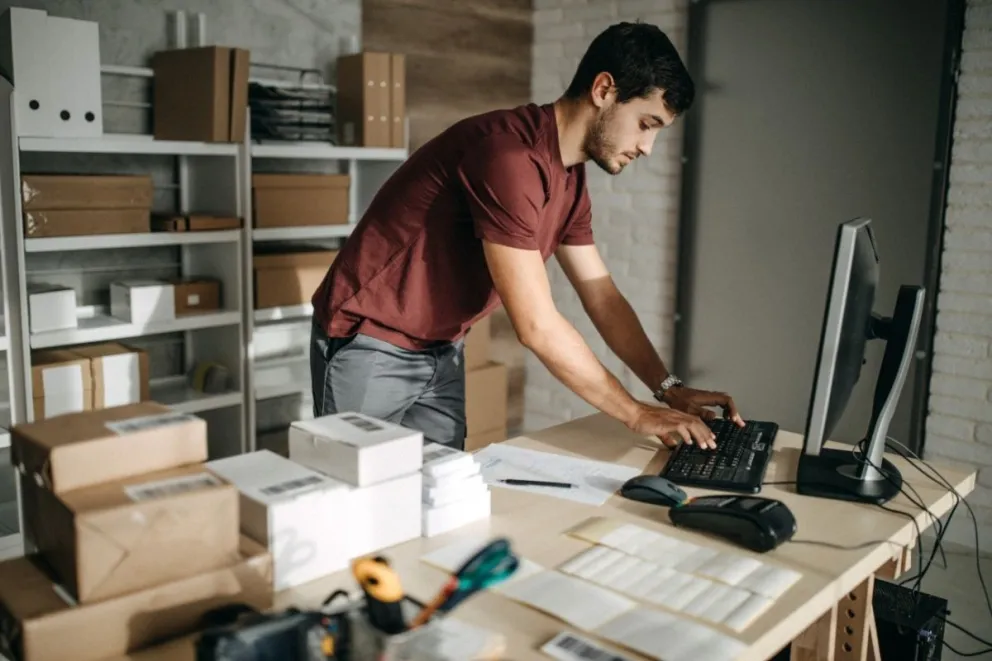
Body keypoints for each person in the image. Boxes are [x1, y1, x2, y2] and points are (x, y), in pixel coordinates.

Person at [310, 21, 744, 450]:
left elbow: (602, 297)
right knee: (358, 500)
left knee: (441, 500)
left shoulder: (570, 179)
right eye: (645, 124)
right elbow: (535, 325)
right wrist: (634, 413)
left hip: (441, 347)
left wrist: (667, 389)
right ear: (604, 90)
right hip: (372, 340)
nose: (647, 147)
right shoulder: (509, 156)